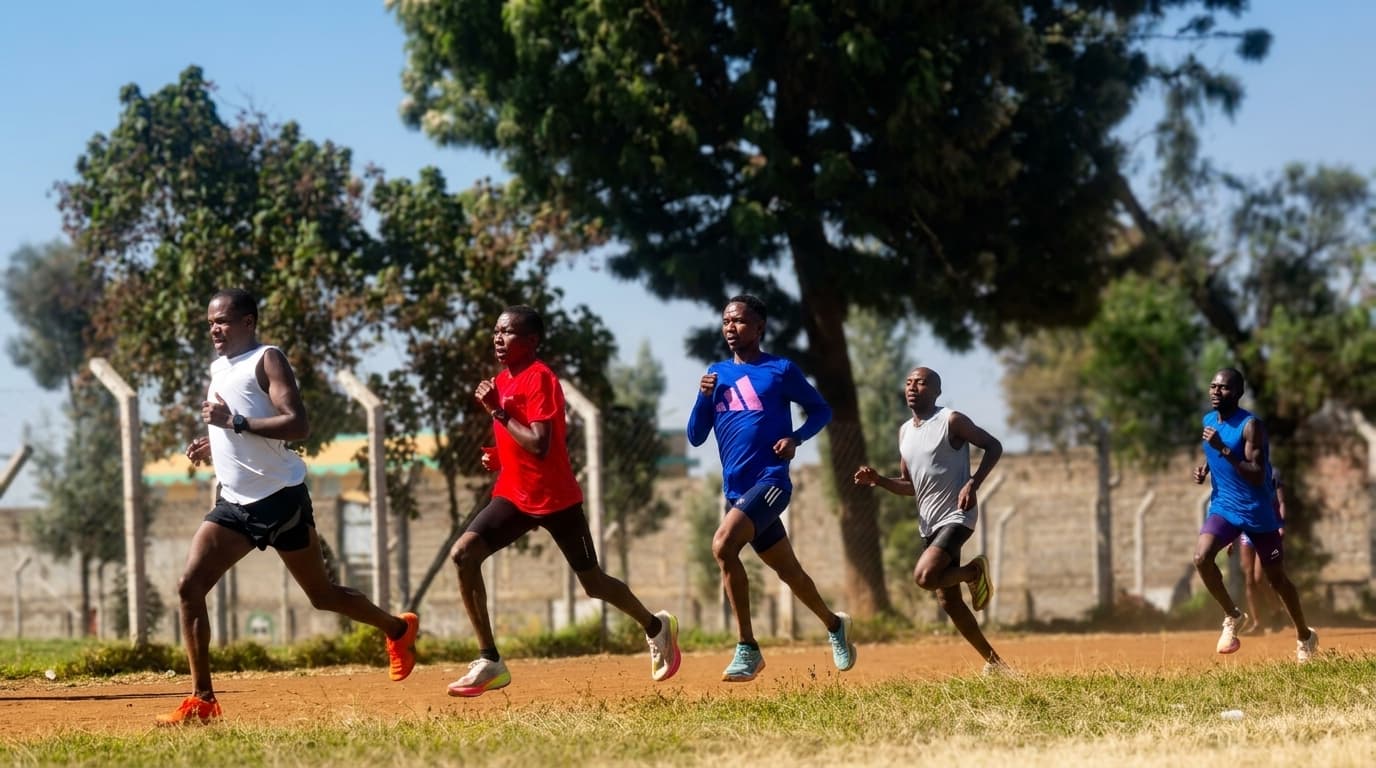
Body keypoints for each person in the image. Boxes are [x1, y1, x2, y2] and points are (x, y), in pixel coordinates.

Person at [160, 288, 418, 725]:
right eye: (209, 323)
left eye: (222, 321)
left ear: (249, 321)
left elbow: (297, 424)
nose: (214, 330)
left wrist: (233, 423)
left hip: (281, 500)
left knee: (322, 596)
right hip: (235, 504)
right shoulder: (218, 367)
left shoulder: (268, 359)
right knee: (189, 586)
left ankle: (397, 629)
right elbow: (241, 430)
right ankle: (203, 700)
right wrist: (216, 443)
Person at [446, 305, 680, 697]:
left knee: (594, 583)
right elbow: (519, 441)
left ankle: (656, 627)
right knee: (463, 554)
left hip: (556, 500)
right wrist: (500, 456)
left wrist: (497, 413)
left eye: (508, 333)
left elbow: (541, 443)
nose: (498, 339)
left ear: (532, 341)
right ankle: (490, 660)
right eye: (496, 332)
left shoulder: (541, 379)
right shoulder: (502, 380)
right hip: (514, 496)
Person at [687, 294, 856, 682]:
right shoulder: (716, 375)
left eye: (741, 322)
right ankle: (835, 625)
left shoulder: (780, 370)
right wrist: (703, 397)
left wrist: (796, 438)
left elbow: (822, 410)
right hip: (737, 492)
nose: (732, 328)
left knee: (723, 545)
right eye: (727, 322)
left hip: (771, 482)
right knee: (791, 574)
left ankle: (747, 647)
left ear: (759, 328)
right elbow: (696, 437)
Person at [852, 366, 1009, 675]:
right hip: (929, 522)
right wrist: (879, 480)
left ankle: (972, 572)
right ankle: (996, 664)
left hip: (957, 514)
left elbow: (994, 446)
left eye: (921, 383)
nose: (913, 387)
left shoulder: (951, 420)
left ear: (936, 391)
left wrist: (973, 483)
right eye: (908, 382)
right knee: (949, 602)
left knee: (924, 576)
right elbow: (910, 485)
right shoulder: (905, 432)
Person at [1192, 368, 1317, 663]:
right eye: (1212, 386)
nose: (1215, 392)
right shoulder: (1208, 421)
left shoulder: (1251, 426)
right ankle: (1233, 616)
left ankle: (1304, 635)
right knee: (1201, 557)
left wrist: (1221, 447)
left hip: (1257, 513)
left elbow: (1257, 474)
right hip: (1224, 507)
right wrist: (1205, 469)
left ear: (1236, 393)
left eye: (1222, 388)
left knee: (1276, 580)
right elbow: (1214, 454)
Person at [1231, 466, 1288, 635]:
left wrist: (1281, 525)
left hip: (1267, 528)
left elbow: (1281, 501)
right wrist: (1230, 536)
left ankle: (1277, 610)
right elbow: (1237, 505)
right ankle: (1257, 623)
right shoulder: (1240, 473)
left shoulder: (1273, 472)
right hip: (1247, 531)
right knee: (1249, 579)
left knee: (1259, 577)